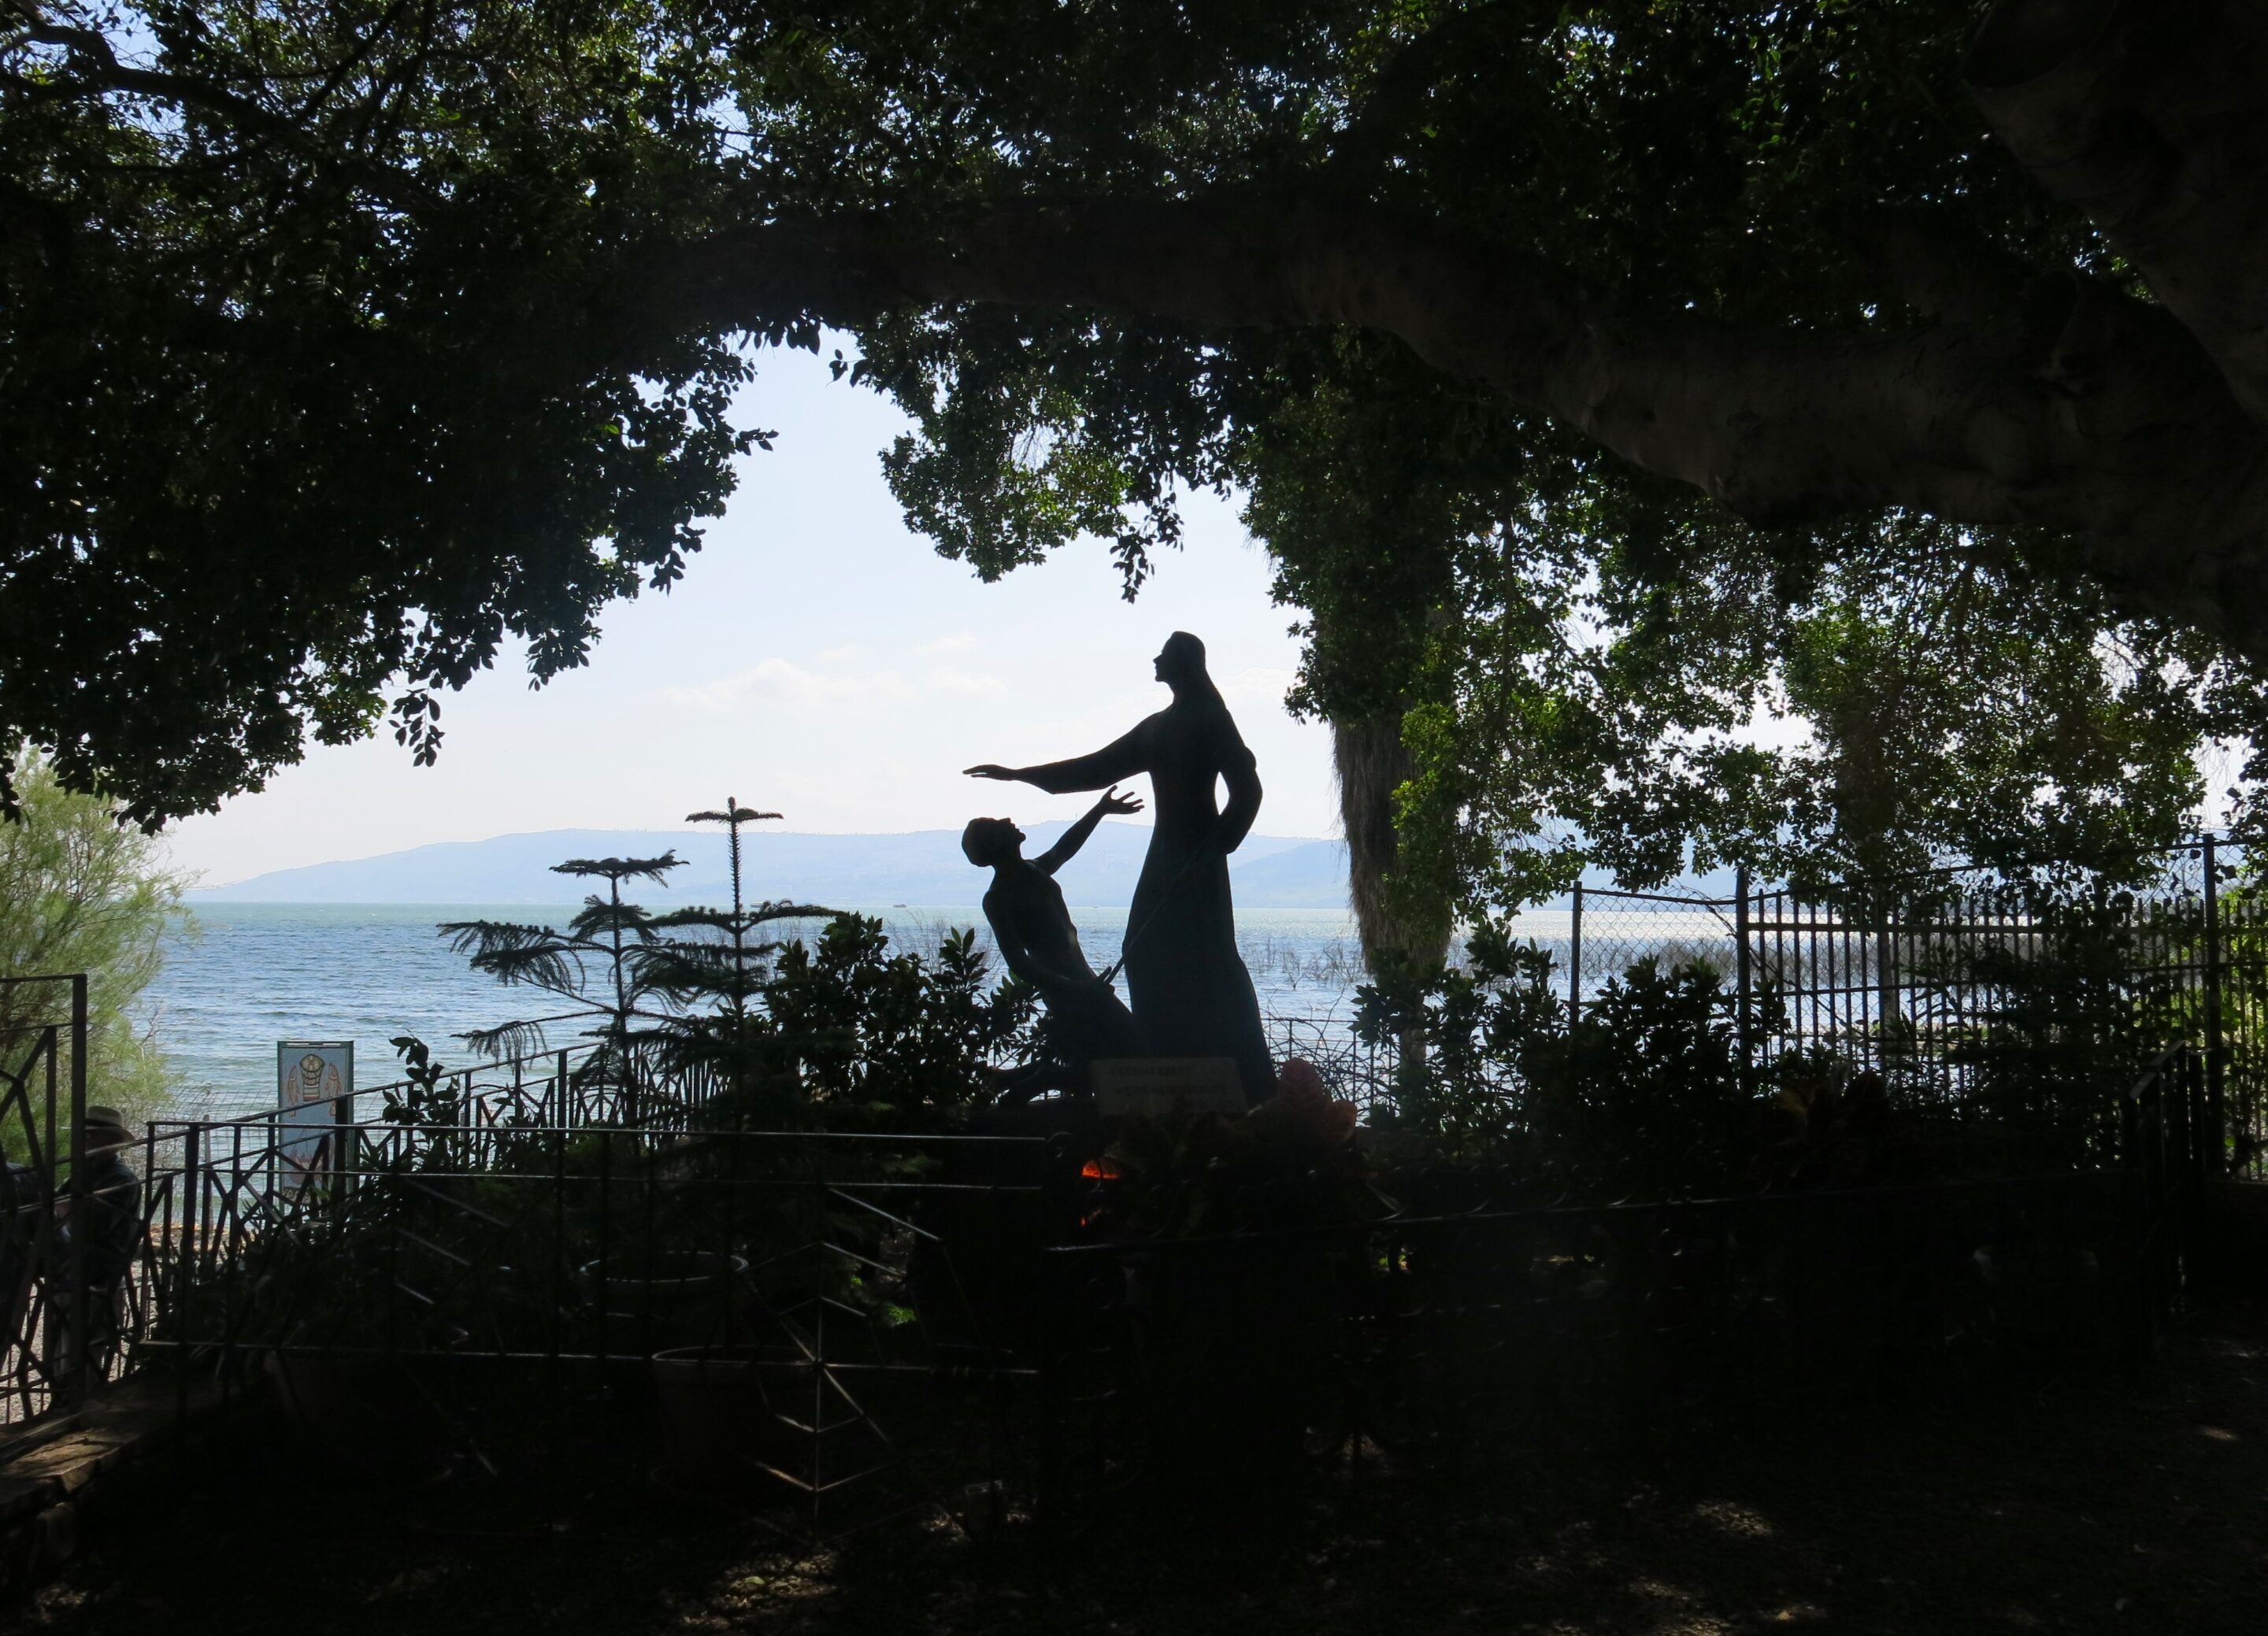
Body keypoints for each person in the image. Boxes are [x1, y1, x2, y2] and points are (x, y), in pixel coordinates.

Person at [967, 631, 1276, 1104]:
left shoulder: (1211, 719)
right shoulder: (1158, 727)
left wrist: (1213, 850)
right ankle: (1165, 1071)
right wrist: (1018, 774)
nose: (1155, 659)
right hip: (1170, 855)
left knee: (1204, 956)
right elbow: (1091, 768)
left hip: (1196, 856)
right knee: (1144, 951)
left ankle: (1238, 1076)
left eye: (1164, 654)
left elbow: (1248, 793)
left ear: (1185, 663)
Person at [963, 786, 1149, 1100]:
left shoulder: (1034, 870)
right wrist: (1077, 988)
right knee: (1129, 1053)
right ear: (995, 845)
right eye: (998, 825)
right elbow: (1019, 963)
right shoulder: (999, 898)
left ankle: (1009, 1079)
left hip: (1082, 981)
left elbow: (1066, 848)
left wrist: (1099, 810)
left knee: (1098, 1058)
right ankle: (1032, 1082)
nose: (1008, 819)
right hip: (1066, 990)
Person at [54, 1105, 142, 1381]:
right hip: (72, 1269)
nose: (85, 1140)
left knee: (84, 1354)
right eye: (84, 1135)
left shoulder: (120, 1179)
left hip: (98, 1274)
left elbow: (89, 1222)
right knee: (61, 1353)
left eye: (93, 1136)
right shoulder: (82, 1174)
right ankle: (64, 1403)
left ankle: (81, 1408)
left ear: (112, 1142)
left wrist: (58, 1207)